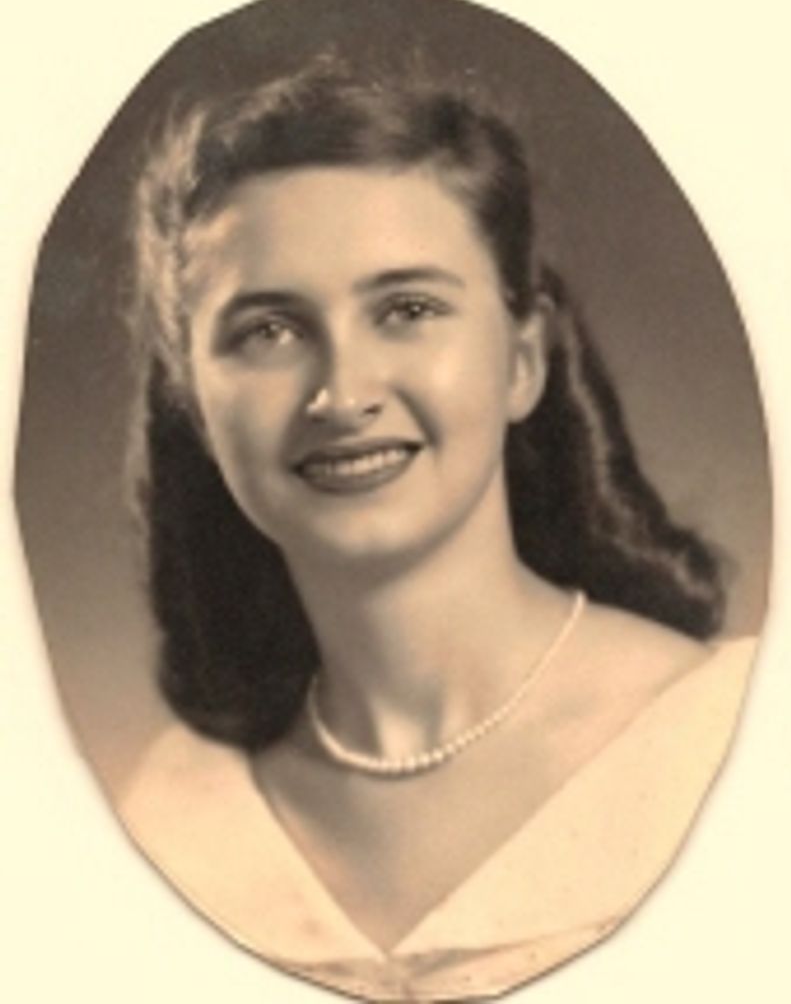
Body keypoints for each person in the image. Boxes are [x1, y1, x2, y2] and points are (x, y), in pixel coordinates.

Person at [120, 59, 755, 1001]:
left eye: (407, 310)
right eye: (268, 331)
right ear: (195, 407)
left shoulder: (726, 735)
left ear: (522, 361)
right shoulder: (179, 812)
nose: (342, 395)